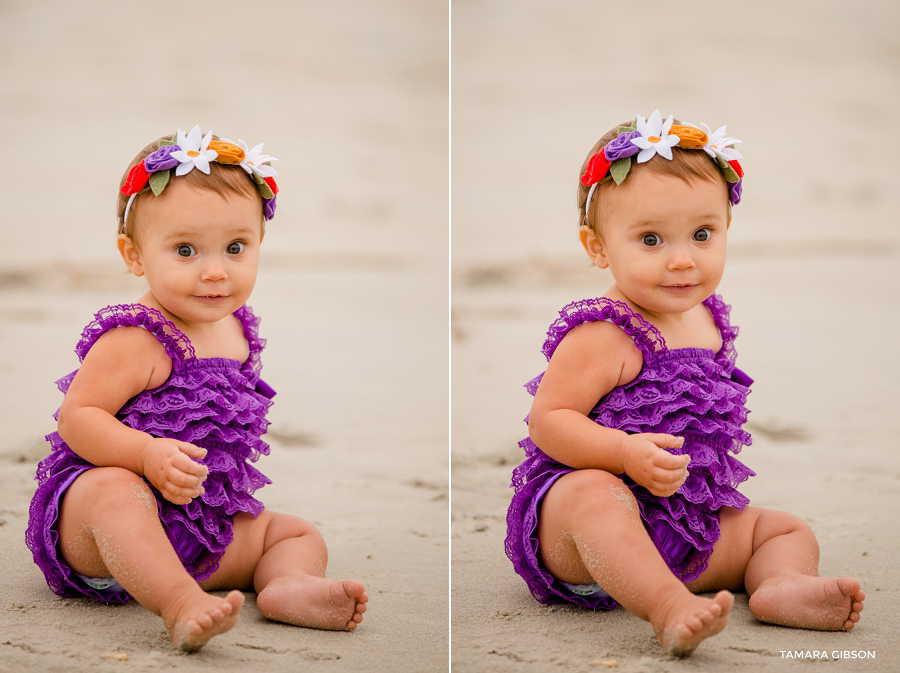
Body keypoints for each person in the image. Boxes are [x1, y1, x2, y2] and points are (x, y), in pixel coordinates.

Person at [504, 111, 864, 657]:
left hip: (689, 529)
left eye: (702, 235)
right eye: (651, 239)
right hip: (589, 540)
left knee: (781, 529)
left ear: (726, 228)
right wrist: (622, 453)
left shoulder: (709, 319)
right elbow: (548, 422)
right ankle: (667, 605)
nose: (681, 260)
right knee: (592, 494)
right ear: (598, 247)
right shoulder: (606, 332)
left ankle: (779, 586)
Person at [26, 126, 368, 652]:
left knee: (293, 533)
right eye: (185, 250)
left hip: (201, 529)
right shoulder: (137, 337)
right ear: (135, 255)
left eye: (235, 247)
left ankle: (286, 585)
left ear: (259, 242)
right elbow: (78, 417)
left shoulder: (237, 328)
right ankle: (179, 602)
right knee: (115, 492)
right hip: (105, 535)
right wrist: (144, 452)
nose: (214, 272)